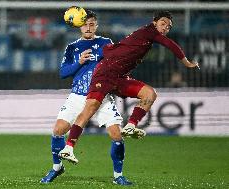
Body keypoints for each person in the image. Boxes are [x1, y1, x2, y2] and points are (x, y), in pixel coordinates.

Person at [59, 11, 199, 162]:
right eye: (163, 23)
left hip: (119, 77)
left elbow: (114, 49)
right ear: (154, 23)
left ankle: (131, 125)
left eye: (168, 26)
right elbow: (170, 44)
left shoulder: (146, 36)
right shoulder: (149, 32)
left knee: (149, 94)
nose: (165, 28)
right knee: (90, 109)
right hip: (105, 74)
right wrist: (187, 63)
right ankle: (68, 148)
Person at [41, 10, 141, 186]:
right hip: (78, 96)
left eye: (92, 24)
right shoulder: (72, 47)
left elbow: (118, 64)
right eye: (85, 24)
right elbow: (63, 73)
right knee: (58, 130)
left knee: (116, 134)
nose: (88, 27)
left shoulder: (106, 43)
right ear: (80, 25)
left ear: (96, 25)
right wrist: (78, 62)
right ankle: (57, 167)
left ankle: (118, 176)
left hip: (100, 96)